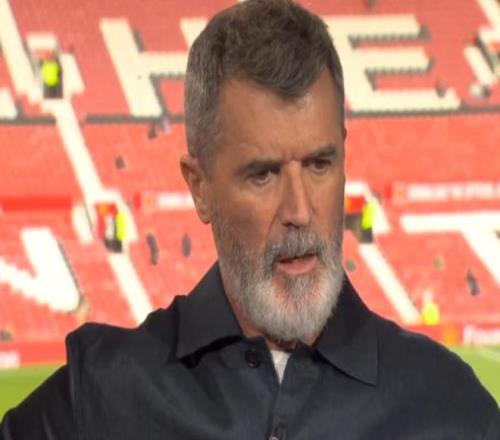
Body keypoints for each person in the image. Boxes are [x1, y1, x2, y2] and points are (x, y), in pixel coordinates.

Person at [1, 1, 499, 438]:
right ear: (199, 187)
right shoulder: (102, 395)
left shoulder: (452, 408)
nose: (300, 211)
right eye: (263, 174)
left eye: (320, 164)